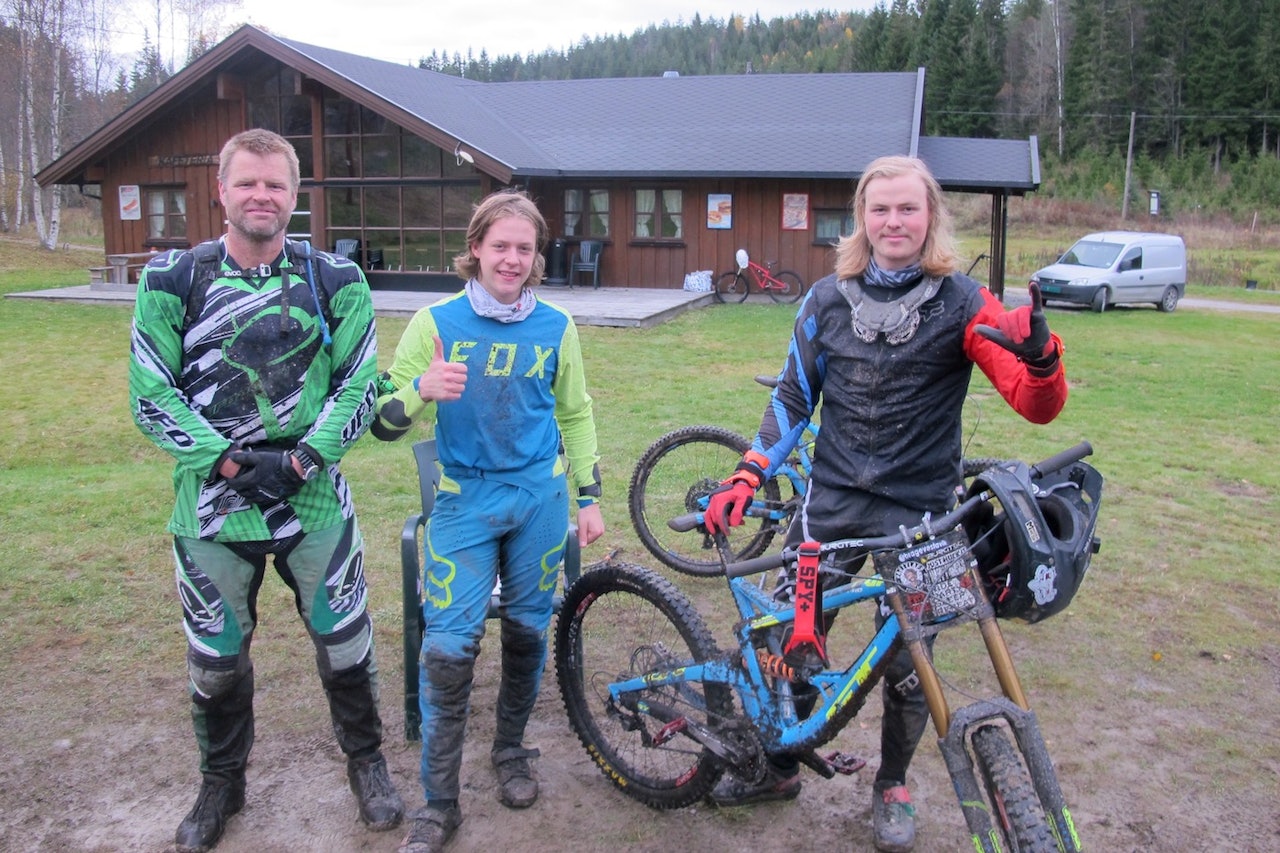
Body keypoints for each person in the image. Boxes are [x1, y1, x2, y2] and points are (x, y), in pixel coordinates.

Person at [702, 155, 1068, 852]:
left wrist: (1043, 360)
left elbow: (1033, 402)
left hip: (924, 513)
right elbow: (792, 396)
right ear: (861, 218)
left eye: (908, 208)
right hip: (831, 505)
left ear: (930, 216)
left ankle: (892, 783)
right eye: (880, 209)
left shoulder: (965, 302)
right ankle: (778, 762)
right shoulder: (824, 299)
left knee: (909, 661)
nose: (894, 221)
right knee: (790, 639)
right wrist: (749, 473)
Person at [129, 128, 403, 853]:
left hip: (312, 499)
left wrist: (305, 460)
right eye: (247, 183)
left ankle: (367, 763)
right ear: (220, 191)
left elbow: (360, 382)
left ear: (294, 196)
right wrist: (225, 462)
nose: (261, 195)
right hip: (212, 510)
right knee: (215, 663)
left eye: (275, 185)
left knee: (347, 646)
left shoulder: (337, 280)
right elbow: (151, 392)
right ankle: (221, 782)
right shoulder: (171, 282)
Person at [371, 190, 605, 853]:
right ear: (475, 247)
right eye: (499, 245)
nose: (511, 258)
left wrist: (588, 497)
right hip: (464, 503)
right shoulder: (435, 322)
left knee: (530, 634)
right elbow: (382, 422)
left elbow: (576, 411)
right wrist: (418, 392)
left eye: (523, 248)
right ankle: (438, 803)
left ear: (537, 256)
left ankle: (510, 751)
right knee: (447, 651)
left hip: (539, 500)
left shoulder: (558, 325)